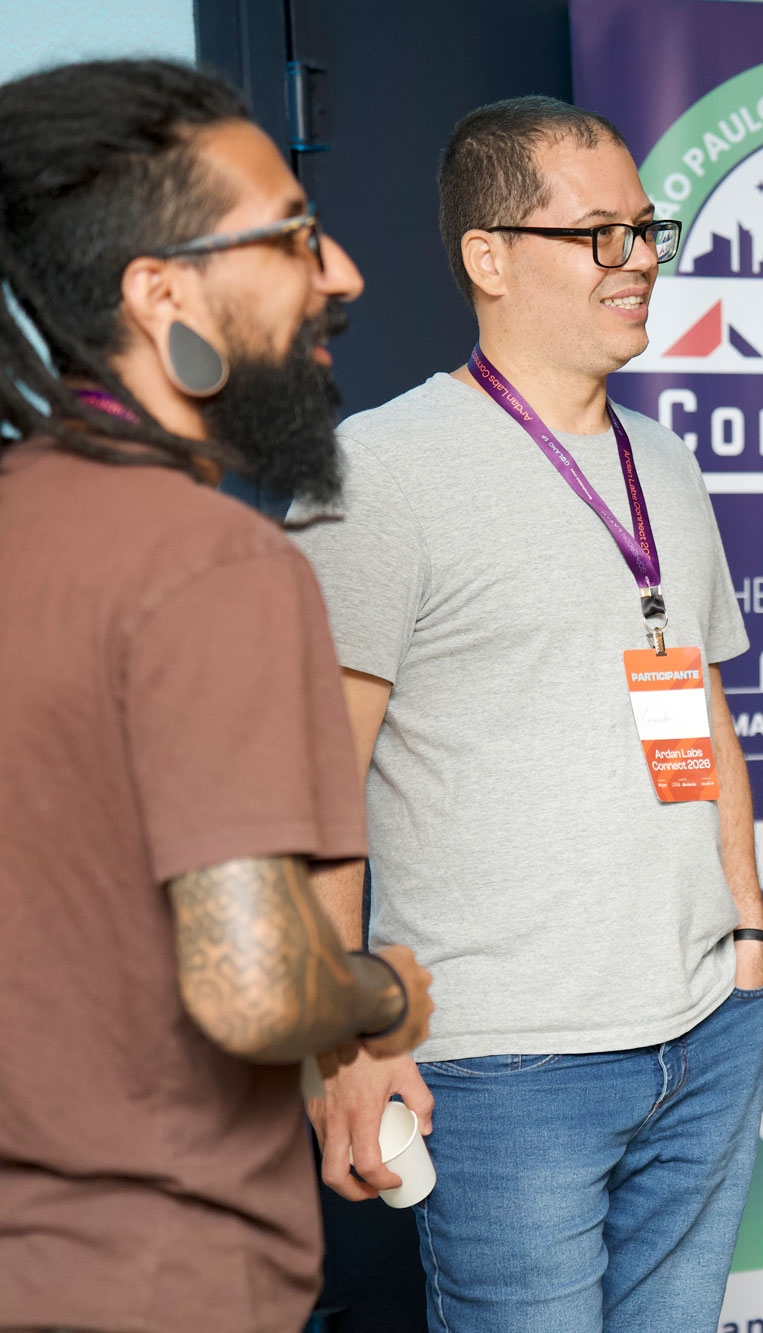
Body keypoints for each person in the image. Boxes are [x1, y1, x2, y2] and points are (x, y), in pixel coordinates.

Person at [289, 95, 763, 1332]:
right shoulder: (375, 473)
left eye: (647, 229)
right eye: (599, 234)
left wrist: (747, 936)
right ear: (488, 257)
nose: (641, 259)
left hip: (705, 1031)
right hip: (506, 1064)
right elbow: (309, 779)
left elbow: (703, 708)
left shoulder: (667, 463)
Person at [0, 59, 434, 1333]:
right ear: (163, 292)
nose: (340, 272)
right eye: (294, 235)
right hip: (153, 1281)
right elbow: (255, 986)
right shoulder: (214, 563)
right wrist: (388, 988)